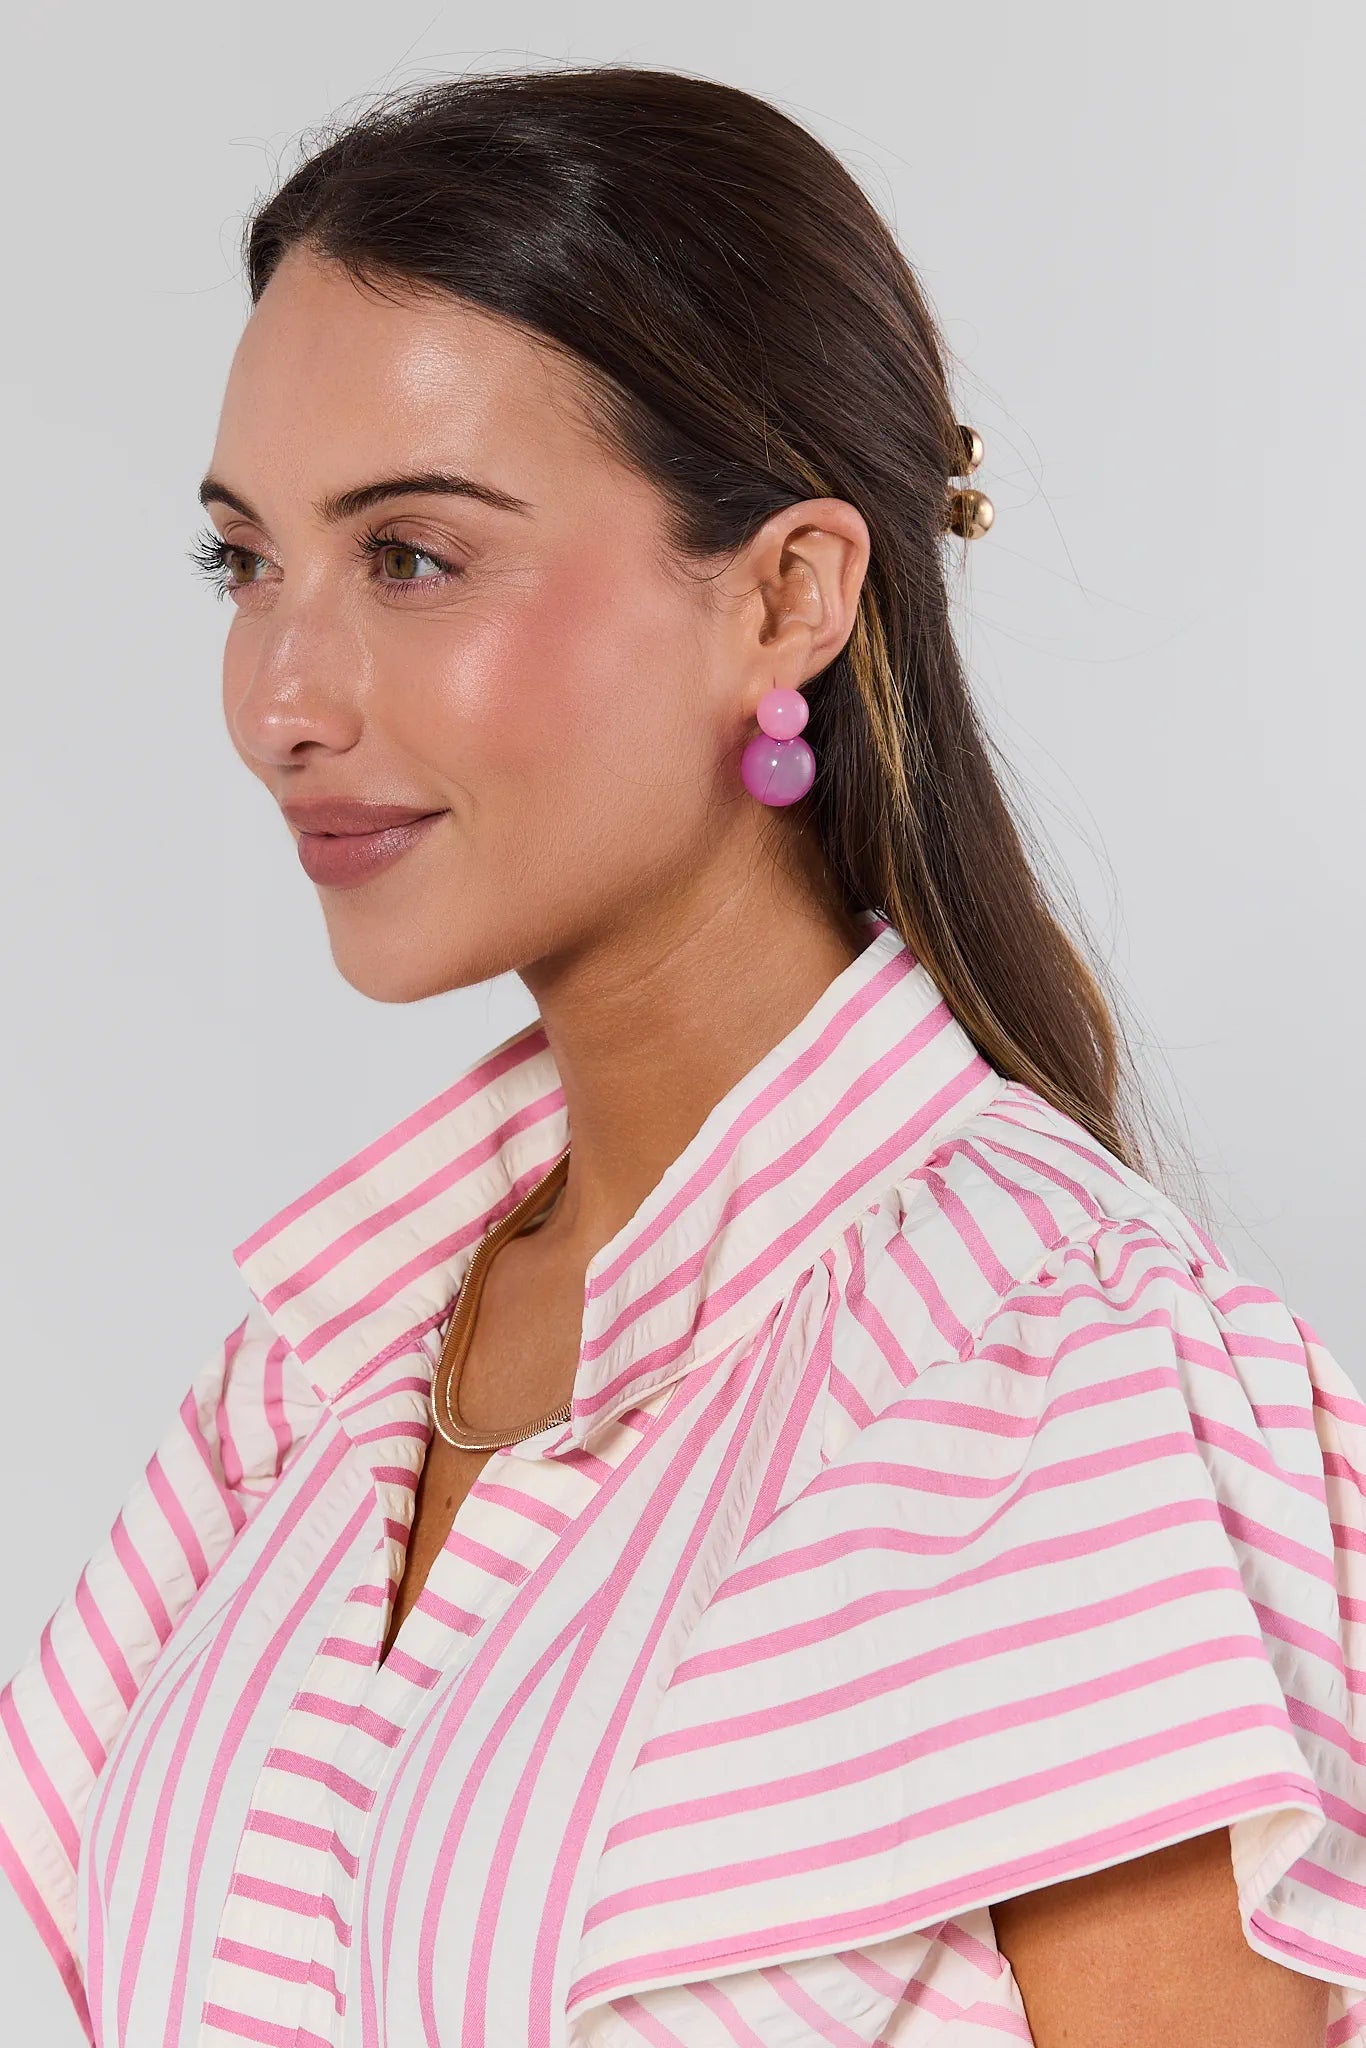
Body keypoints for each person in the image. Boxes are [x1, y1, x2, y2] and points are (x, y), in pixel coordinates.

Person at [1, 61, 1360, 2048]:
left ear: (787, 593)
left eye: (410, 556)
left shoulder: (1041, 1374)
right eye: (247, 561)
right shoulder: (313, 1382)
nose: (280, 695)